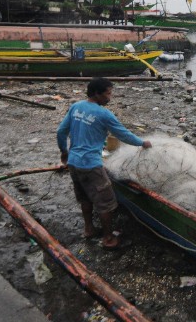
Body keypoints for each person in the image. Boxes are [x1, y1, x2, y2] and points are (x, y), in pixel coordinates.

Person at [57, 77, 152, 250]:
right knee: (106, 201)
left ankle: (89, 229)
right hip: (90, 165)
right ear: (96, 93)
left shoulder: (76, 107)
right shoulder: (104, 114)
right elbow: (123, 134)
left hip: (73, 162)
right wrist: (142, 143)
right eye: (108, 94)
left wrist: (64, 151)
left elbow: (61, 131)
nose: (110, 97)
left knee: (85, 196)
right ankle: (108, 238)